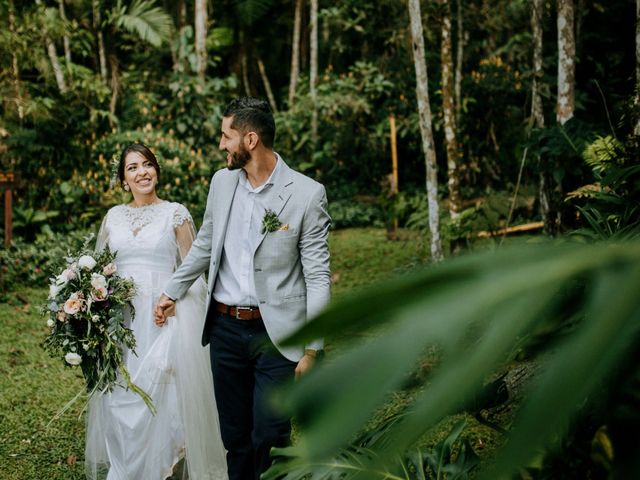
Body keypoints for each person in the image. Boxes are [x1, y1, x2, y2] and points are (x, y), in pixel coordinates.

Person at [155, 97, 331, 480]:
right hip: (224, 330)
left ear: (250, 140)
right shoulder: (222, 182)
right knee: (235, 438)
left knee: (270, 435)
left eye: (226, 135)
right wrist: (172, 290)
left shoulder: (306, 194)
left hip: (278, 334)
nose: (221, 145)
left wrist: (313, 349)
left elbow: (317, 276)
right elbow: (205, 243)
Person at [85, 143, 228, 480]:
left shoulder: (175, 213)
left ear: (157, 171)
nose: (142, 172)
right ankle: (129, 467)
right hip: (122, 320)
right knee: (123, 391)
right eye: (133, 167)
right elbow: (101, 272)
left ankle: (162, 467)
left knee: (165, 391)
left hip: (164, 315)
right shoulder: (113, 218)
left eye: (147, 164)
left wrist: (177, 301)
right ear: (123, 179)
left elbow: (193, 267)